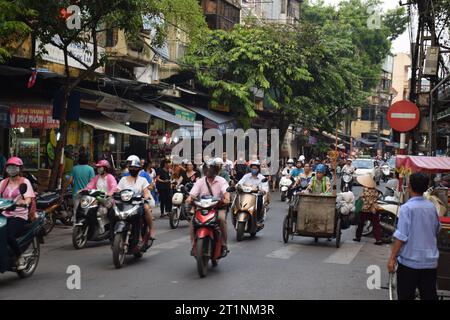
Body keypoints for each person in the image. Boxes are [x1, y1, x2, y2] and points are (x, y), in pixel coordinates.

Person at [387, 173, 440, 300]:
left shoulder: (407, 208)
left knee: (405, 296)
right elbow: (437, 229)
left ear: (409, 186)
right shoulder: (432, 207)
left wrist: (392, 258)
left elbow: (401, 236)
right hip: (429, 263)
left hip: (409, 264)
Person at [186, 159, 230, 256]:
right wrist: (189, 198)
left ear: (215, 170)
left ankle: (223, 244)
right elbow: (193, 194)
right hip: (203, 208)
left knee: (221, 219)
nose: (209, 171)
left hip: (218, 207)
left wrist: (226, 198)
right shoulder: (200, 181)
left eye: (211, 169)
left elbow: (226, 192)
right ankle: (194, 245)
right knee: (192, 221)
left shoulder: (221, 181)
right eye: (207, 169)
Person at [0, 157, 36, 270]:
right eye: (9, 167)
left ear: (19, 169)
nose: (11, 169)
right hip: (3, 214)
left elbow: (29, 198)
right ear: (6, 169)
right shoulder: (3, 182)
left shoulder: (25, 182)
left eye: (14, 167)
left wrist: (24, 202)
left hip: (19, 215)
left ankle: (19, 256)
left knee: (8, 235)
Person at [117, 157, 155, 240]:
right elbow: (117, 191)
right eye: (131, 167)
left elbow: (146, 192)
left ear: (139, 169)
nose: (133, 169)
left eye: (135, 168)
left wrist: (146, 197)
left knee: (146, 208)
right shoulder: (123, 179)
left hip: (139, 203)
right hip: (125, 204)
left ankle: (151, 229)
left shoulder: (143, 179)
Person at [236, 161, 269, 226]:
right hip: (245, 195)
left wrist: (262, 190)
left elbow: (265, 188)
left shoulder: (262, 178)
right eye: (253, 168)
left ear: (258, 169)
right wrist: (237, 186)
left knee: (259, 202)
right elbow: (239, 183)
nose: (254, 169)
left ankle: (258, 220)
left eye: (255, 168)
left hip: (256, 196)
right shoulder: (246, 176)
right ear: (250, 168)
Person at [353, 174, 383, 245]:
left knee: (361, 223)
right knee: (376, 224)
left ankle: (358, 237)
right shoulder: (375, 190)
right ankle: (378, 239)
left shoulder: (365, 189)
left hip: (365, 209)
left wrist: (362, 198)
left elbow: (365, 199)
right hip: (374, 209)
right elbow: (376, 198)